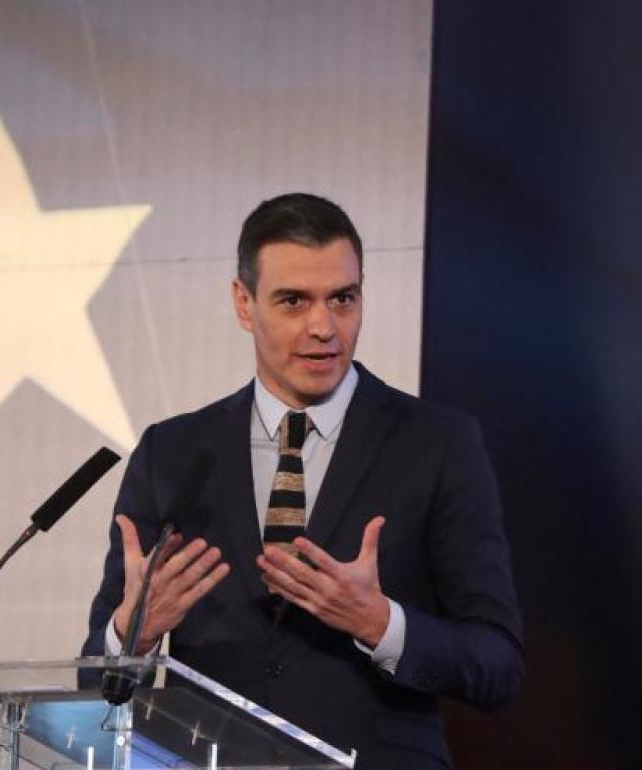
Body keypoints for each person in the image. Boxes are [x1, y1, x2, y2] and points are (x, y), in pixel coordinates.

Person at [80, 192, 523, 769]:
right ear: (244, 304)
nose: (323, 327)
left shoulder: (438, 444)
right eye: (294, 301)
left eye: (343, 299)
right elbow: (95, 677)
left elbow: (497, 664)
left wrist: (381, 624)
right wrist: (131, 636)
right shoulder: (173, 453)